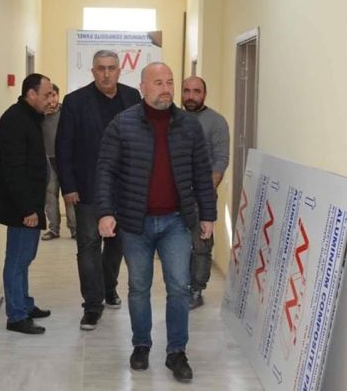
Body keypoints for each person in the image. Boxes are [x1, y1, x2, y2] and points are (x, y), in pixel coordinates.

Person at [96, 62, 216, 382]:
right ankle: (141, 344)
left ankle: (176, 351)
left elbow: (202, 174)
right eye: (159, 82)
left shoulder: (188, 126)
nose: (166, 89)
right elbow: (106, 171)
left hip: (176, 222)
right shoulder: (122, 124)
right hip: (135, 223)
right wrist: (105, 212)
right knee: (139, 287)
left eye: (170, 82)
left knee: (179, 287)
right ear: (143, 88)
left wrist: (208, 215)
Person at [56, 50, 142, 330]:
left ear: (119, 70)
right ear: (92, 71)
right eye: (101, 68)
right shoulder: (75, 101)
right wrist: (68, 186)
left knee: (117, 243)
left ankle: (108, 287)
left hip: (125, 188)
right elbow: (63, 146)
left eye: (111, 68)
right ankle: (92, 306)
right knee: (89, 245)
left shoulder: (132, 97)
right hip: (87, 187)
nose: (106, 74)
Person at [0, 73, 53, 334]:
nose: (51, 100)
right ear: (31, 94)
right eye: (47, 95)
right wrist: (27, 209)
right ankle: (16, 316)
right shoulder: (15, 121)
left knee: (25, 257)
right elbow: (14, 169)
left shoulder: (30, 118)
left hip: (30, 204)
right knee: (17, 260)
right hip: (21, 207)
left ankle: (25, 304)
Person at [181, 76, 230, 309]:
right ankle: (180, 287)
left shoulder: (216, 122)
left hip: (202, 196)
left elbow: (221, 160)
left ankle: (196, 290)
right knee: (177, 245)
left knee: (201, 245)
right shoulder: (173, 119)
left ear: (204, 94)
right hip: (175, 196)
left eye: (196, 91)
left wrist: (206, 193)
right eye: (187, 91)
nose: (191, 96)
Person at [41, 83, 76, 240]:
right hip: (48, 160)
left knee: (70, 196)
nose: (52, 100)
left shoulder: (66, 112)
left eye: (54, 95)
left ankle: (75, 229)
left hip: (66, 160)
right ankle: (54, 229)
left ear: (58, 96)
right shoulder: (39, 115)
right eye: (48, 96)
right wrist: (42, 115)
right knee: (50, 197)